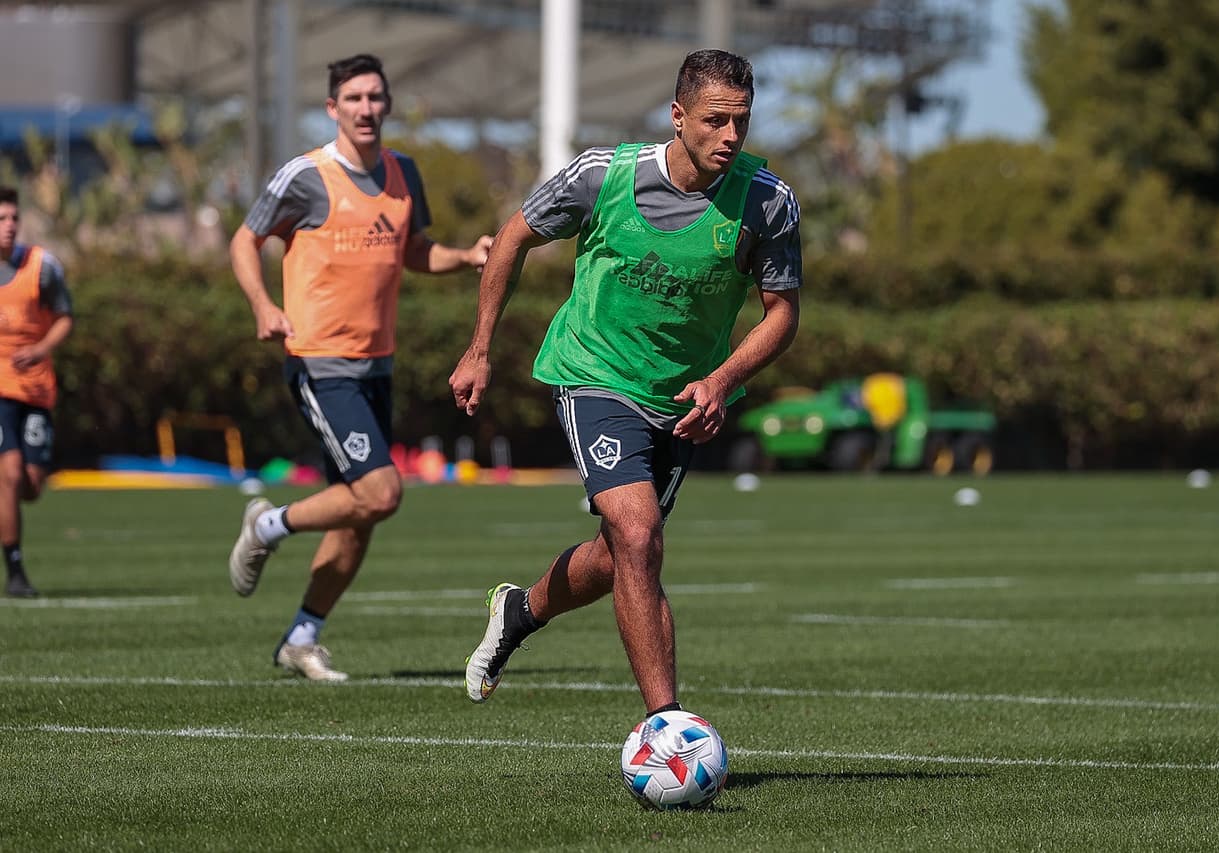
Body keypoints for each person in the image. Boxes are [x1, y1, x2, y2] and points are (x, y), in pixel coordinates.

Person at [450, 49, 801, 716]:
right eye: (714, 119)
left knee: (621, 556)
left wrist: (723, 379)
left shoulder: (768, 201)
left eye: (742, 121)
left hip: (685, 397)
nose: (730, 135)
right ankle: (666, 728)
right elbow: (511, 239)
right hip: (594, 373)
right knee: (639, 536)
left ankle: (519, 611)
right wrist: (479, 349)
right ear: (677, 117)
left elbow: (781, 313)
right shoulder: (601, 176)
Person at [228, 53, 492, 681]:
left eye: (375, 97)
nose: (366, 108)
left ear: (387, 104)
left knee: (360, 511)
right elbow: (245, 240)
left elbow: (414, 252)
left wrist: (466, 255)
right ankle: (266, 525)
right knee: (380, 491)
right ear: (333, 109)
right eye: (353, 98)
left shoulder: (403, 172)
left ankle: (301, 638)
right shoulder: (305, 176)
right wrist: (264, 305)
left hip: (377, 364)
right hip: (320, 360)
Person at [0, 187, 74, 599]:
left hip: (35, 389)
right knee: (8, 475)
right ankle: (15, 573)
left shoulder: (42, 266)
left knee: (30, 484)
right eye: (1, 219)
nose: (9, 226)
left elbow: (65, 317)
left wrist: (41, 349)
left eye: (13, 218)